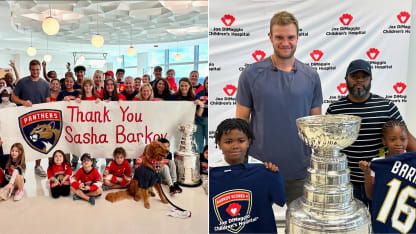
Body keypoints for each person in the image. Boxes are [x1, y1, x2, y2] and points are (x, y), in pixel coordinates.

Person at [235, 11, 322, 204]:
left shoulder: (311, 76)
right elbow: (240, 123)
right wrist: (240, 165)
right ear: (270, 38)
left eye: (290, 37)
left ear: (298, 38)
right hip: (260, 168)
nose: (285, 43)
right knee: (258, 225)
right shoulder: (250, 74)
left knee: (298, 227)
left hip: (299, 170)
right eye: (279, 37)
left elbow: (316, 126)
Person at [326, 59, 416, 207]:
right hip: (347, 184)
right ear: (346, 79)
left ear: (371, 79)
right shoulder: (335, 110)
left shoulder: (387, 107)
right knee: (352, 229)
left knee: (380, 226)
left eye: (364, 76)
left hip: (381, 180)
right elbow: (327, 148)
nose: (359, 80)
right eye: (354, 76)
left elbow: (409, 141)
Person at [209, 118, 285, 234]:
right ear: (219, 144)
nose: (235, 146)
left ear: (248, 142)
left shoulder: (264, 170)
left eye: (241, 140)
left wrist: (275, 175)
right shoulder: (210, 175)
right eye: (228, 142)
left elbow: (280, 200)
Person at [11, 59, 50, 177]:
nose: (35, 71)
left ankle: (37, 166)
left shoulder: (45, 84)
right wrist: (23, 102)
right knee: (23, 142)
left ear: (39, 69)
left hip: (39, 118)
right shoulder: (22, 82)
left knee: (38, 142)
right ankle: (21, 166)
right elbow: (13, 97)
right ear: (29, 69)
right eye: (33, 70)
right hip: (24, 117)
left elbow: (47, 101)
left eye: (37, 69)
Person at [359, 119, 409, 200]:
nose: (398, 144)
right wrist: (367, 173)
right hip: (382, 210)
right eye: (393, 139)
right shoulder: (377, 163)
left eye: (403, 139)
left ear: (408, 140)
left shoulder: (412, 162)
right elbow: (370, 195)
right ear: (384, 141)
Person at [194, 76, 208, 153]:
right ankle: (200, 160)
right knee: (199, 142)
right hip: (198, 120)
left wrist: (202, 104)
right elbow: (195, 103)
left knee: (209, 142)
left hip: (209, 120)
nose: (208, 85)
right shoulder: (200, 93)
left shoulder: (215, 94)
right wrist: (198, 103)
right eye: (207, 83)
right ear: (204, 84)